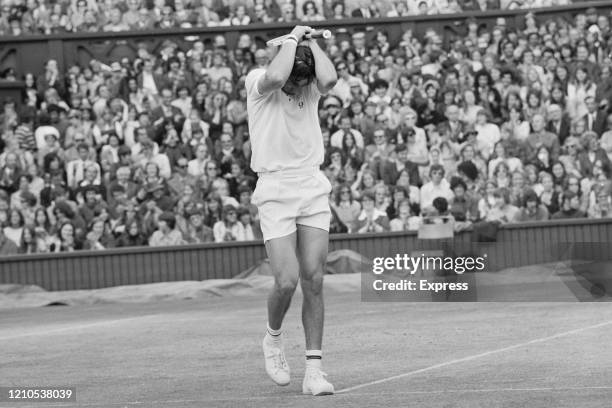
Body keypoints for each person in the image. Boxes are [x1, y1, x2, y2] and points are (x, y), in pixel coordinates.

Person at [245, 25, 337, 396]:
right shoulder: (258, 81)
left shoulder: (309, 83)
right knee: (287, 280)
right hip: (274, 188)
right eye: (295, 82)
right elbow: (279, 74)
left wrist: (311, 42)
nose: (296, 88)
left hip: (311, 185)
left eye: (302, 81)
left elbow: (328, 78)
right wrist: (293, 36)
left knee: (314, 278)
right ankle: (273, 338)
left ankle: (313, 370)